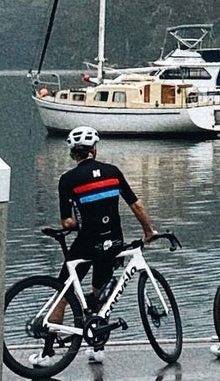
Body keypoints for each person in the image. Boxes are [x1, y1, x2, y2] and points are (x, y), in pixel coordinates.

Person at [56, 126, 156, 359]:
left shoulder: (67, 179)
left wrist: (77, 222)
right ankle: (97, 347)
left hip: (86, 243)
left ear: (73, 153)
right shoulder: (113, 172)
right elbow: (136, 205)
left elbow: (67, 222)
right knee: (101, 294)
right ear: (94, 148)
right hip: (113, 241)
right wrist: (148, 230)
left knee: (63, 292)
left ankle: (48, 351)